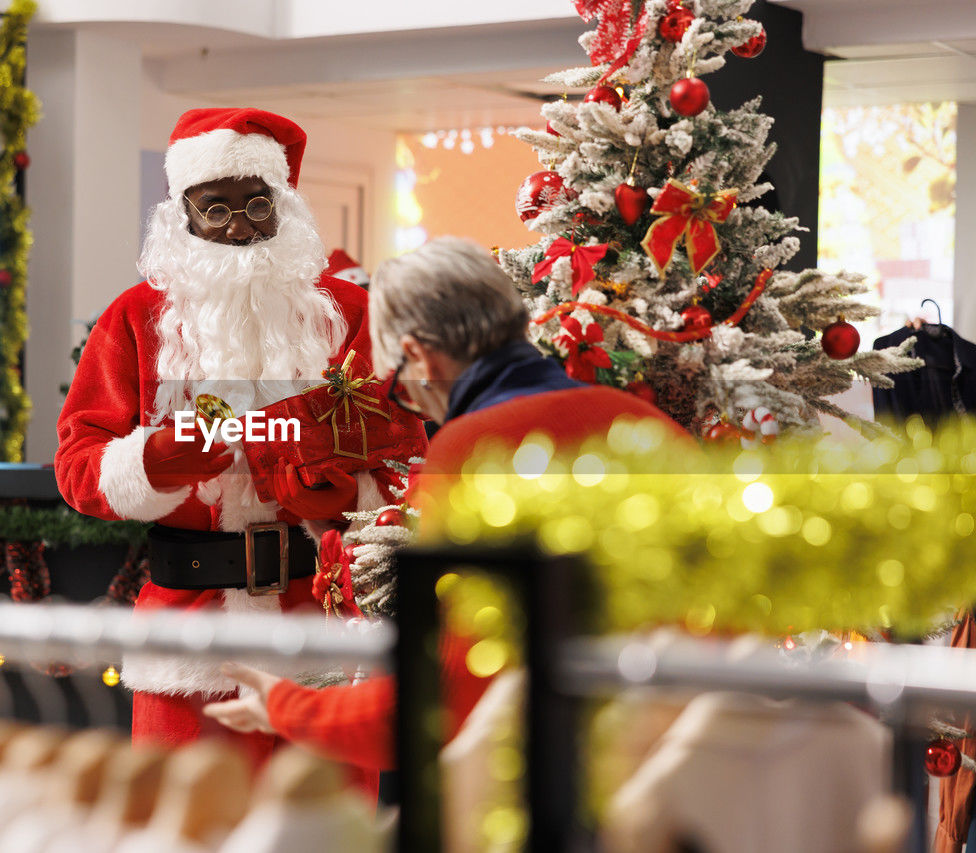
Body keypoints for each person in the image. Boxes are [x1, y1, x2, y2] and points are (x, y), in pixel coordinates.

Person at [204, 236, 690, 770]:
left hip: (568, 774)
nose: (410, 403)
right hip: (686, 756)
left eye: (397, 386)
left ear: (417, 355)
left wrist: (287, 705)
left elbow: (440, 698)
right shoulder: (646, 423)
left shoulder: (470, 451)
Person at [54, 108, 426, 783]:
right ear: (183, 214)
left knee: (330, 834)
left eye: (257, 204)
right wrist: (151, 462)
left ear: (283, 203)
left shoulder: (349, 312)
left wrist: (354, 491)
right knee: (186, 829)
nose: (239, 226)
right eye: (215, 208)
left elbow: (410, 447)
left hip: (324, 621)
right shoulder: (134, 318)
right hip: (189, 632)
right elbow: (79, 466)